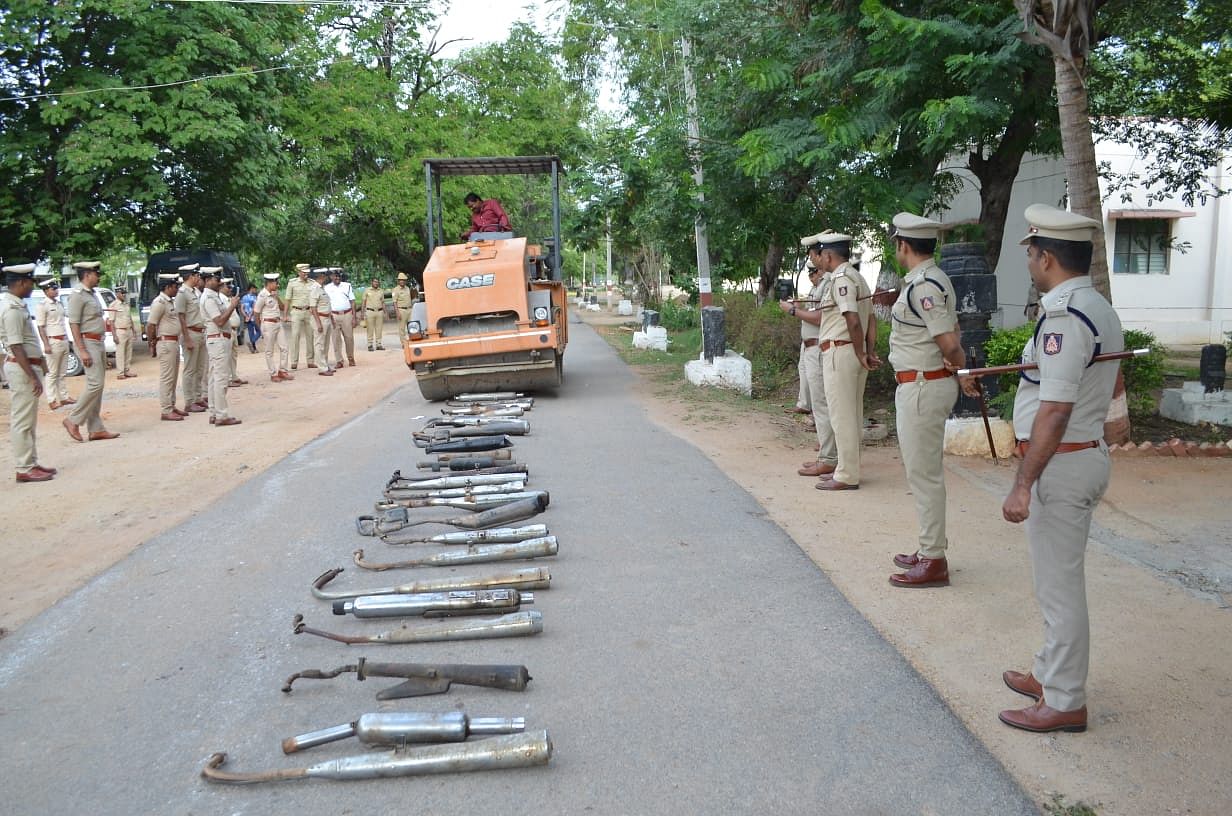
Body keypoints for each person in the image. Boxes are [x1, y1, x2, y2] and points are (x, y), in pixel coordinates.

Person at [997, 204, 1123, 735]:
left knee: (1059, 587)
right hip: (1076, 457)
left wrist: (1023, 483)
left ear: (1045, 256)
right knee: (1055, 581)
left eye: (1030, 252)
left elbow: (1056, 407)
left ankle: (1066, 699)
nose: (1028, 260)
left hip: (1063, 465)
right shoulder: (1095, 305)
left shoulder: (1066, 316)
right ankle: (1050, 672)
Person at [883, 214, 967, 588]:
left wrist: (961, 370)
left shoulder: (924, 286)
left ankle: (934, 559)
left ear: (903, 245)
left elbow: (948, 341)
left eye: (896, 244)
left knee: (924, 474)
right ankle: (928, 546)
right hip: (924, 383)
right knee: (924, 472)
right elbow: (951, 331)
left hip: (922, 386)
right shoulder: (932, 279)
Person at [812, 232, 876, 491]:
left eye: (823, 255)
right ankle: (847, 469)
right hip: (853, 352)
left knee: (842, 415)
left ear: (828, 256)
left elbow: (853, 318)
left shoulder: (841, 279)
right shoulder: (859, 277)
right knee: (852, 413)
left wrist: (861, 352)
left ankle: (847, 474)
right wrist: (868, 351)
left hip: (842, 351)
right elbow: (872, 319)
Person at [779, 253, 837, 478]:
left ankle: (828, 456)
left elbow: (821, 317)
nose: (812, 274)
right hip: (812, 347)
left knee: (823, 404)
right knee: (820, 404)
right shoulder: (822, 287)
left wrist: (794, 311)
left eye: (814, 269)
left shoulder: (830, 284)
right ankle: (826, 451)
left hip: (820, 348)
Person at [2, 263, 55, 482]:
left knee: (28, 420)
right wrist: (32, 376)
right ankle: (24, 467)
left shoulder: (18, 305)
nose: (32, 287)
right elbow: (16, 346)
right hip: (20, 368)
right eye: (30, 282)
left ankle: (31, 462)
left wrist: (40, 364)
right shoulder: (11, 309)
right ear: (21, 283)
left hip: (27, 366)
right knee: (22, 420)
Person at [63, 261, 119, 443]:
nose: (99, 276)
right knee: (94, 384)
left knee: (98, 386)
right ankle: (72, 420)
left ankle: (95, 429)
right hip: (87, 342)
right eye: (96, 273)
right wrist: (82, 350)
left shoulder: (92, 294)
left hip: (98, 342)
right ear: (87, 275)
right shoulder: (78, 295)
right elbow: (74, 324)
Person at [198, 267, 242, 427]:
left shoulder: (213, 296)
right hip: (218, 339)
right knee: (221, 378)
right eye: (217, 280)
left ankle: (214, 412)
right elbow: (220, 321)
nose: (220, 283)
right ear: (208, 280)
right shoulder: (209, 298)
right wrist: (232, 306)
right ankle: (221, 415)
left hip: (219, 339)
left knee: (213, 377)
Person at [147, 273, 186, 421]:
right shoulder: (160, 303)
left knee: (173, 376)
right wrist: (152, 342)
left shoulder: (170, 302)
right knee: (167, 377)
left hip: (174, 342)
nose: (177, 289)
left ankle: (171, 404)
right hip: (166, 342)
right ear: (167, 287)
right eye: (175, 286)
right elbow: (151, 325)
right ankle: (166, 409)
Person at [34, 277, 72, 410]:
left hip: (63, 339)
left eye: (56, 288)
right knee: (52, 373)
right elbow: (40, 327)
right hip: (52, 340)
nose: (56, 291)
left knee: (62, 372)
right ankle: (52, 399)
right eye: (53, 289)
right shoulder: (42, 306)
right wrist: (46, 344)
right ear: (45, 291)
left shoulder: (58, 304)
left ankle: (64, 397)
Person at [174, 263, 207, 413]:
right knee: (190, 369)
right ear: (191, 276)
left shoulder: (196, 292)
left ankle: (198, 397)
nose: (199, 278)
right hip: (190, 332)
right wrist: (186, 338)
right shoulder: (182, 293)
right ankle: (189, 401)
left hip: (200, 332)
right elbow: (180, 316)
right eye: (197, 275)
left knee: (200, 368)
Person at [253, 272, 292, 382]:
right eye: (276, 282)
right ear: (269, 283)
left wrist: (277, 297)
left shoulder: (274, 294)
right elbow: (256, 312)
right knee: (269, 350)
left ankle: (283, 370)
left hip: (278, 323)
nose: (277, 285)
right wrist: (260, 327)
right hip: (268, 324)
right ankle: (273, 373)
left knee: (284, 347)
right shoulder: (262, 295)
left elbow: (283, 307)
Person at [285, 262, 316, 370]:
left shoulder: (312, 283)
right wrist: (285, 315)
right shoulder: (292, 283)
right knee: (295, 336)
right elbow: (288, 299)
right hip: (296, 311)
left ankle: (310, 360)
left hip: (309, 311)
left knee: (310, 336)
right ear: (299, 272)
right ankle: (294, 361)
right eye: (304, 272)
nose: (306, 274)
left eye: (307, 272)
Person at [310, 267, 339, 375]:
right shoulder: (314, 289)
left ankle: (325, 365)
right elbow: (313, 308)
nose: (326, 278)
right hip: (320, 318)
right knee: (319, 344)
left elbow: (326, 305)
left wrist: (331, 319)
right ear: (320, 276)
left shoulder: (322, 288)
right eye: (324, 276)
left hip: (326, 318)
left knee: (325, 344)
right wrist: (318, 323)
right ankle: (322, 368)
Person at [325, 268, 357, 366]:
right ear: (331, 277)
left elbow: (352, 302)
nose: (337, 278)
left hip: (347, 314)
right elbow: (326, 303)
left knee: (349, 337)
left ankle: (351, 358)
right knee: (336, 339)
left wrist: (354, 317)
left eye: (339, 276)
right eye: (335, 276)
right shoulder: (327, 288)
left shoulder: (347, 286)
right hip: (333, 315)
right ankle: (339, 360)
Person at [106, 285, 137, 379]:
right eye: (122, 293)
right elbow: (111, 321)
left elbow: (129, 317)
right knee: (120, 353)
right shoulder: (113, 305)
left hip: (128, 330)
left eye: (124, 293)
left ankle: (127, 370)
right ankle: (120, 373)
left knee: (128, 352)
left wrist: (133, 330)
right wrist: (114, 335)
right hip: (120, 331)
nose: (124, 295)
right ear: (117, 294)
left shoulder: (126, 304)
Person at [221, 278, 247, 386]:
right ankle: (226, 379)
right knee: (226, 356)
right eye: (228, 287)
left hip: (233, 330)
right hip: (228, 329)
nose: (230, 289)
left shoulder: (227, 298)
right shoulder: (221, 299)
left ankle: (233, 376)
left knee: (233, 355)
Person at [362, 277, 386, 351]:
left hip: (379, 312)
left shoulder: (381, 291)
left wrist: (385, 312)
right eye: (375, 282)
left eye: (377, 282)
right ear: (371, 282)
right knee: (370, 329)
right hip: (370, 312)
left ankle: (379, 345)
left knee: (379, 329)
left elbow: (383, 302)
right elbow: (364, 302)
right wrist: (362, 313)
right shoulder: (367, 290)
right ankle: (370, 345)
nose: (376, 283)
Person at [392, 272, 415, 345]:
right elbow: (394, 302)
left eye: (404, 280)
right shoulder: (395, 290)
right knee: (402, 328)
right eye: (401, 280)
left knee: (411, 326)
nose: (402, 281)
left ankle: (412, 340)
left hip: (409, 310)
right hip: (401, 310)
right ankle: (403, 343)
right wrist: (397, 312)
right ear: (398, 281)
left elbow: (411, 298)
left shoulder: (407, 288)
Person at [241, 283, 260, 352]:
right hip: (254, 317)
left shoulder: (244, 297)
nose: (255, 290)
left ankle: (254, 349)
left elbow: (242, 308)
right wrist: (250, 316)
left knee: (251, 333)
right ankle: (252, 342)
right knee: (259, 331)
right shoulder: (254, 297)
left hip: (247, 318)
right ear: (251, 288)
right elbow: (254, 308)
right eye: (255, 289)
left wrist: (246, 316)